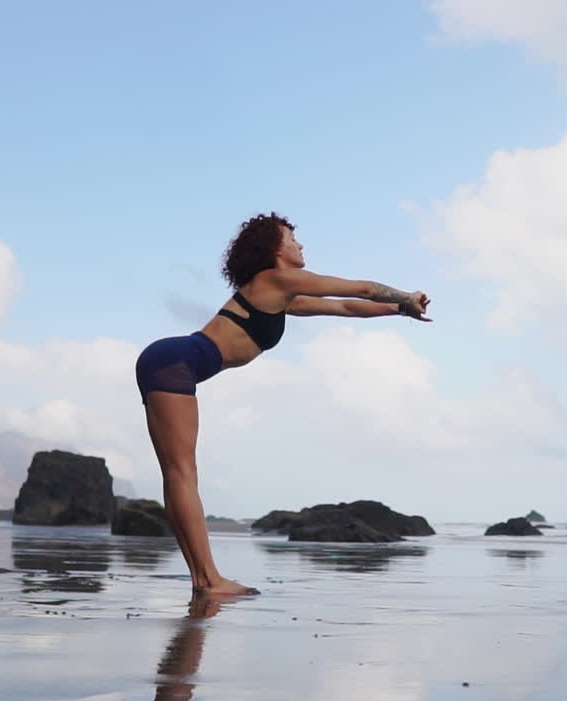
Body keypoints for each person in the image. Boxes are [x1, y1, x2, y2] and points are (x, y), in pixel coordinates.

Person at [135, 212, 431, 597]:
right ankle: (209, 580)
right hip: (175, 362)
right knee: (182, 473)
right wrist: (406, 296)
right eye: (292, 238)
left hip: (171, 362)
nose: (300, 244)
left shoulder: (279, 293)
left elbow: (345, 308)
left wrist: (401, 310)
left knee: (178, 474)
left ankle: (203, 580)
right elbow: (359, 289)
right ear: (274, 248)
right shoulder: (274, 280)